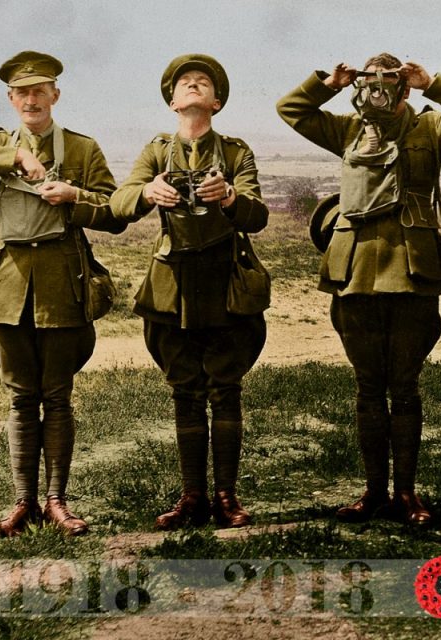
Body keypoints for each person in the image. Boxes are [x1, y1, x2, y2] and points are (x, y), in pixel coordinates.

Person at [277, 54, 441, 525]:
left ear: (403, 88)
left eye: (389, 83)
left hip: (412, 273)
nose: (378, 91)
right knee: (367, 387)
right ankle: (374, 492)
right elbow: (292, 110)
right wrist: (329, 83)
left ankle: (406, 494)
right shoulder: (347, 130)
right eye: (370, 82)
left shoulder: (432, 131)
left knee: (405, 385)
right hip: (354, 274)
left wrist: (432, 82)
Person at [110, 54, 268, 530]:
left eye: (204, 83)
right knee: (184, 390)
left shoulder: (236, 152)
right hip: (172, 288)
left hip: (226, 284)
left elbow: (257, 215)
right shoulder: (157, 151)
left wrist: (231, 197)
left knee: (226, 389)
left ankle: (226, 497)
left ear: (215, 102)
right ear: (173, 101)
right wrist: (148, 192)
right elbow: (120, 202)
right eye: (185, 83)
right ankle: (192, 497)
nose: (194, 86)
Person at [0, 51, 125, 538]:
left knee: (57, 397)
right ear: (10, 99)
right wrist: (17, 156)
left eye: (40, 91)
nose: (31, 99)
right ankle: (22, 504)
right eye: (22, 93)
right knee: (21, 398)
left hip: (63, 282)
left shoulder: (81, 149)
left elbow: (116, 211)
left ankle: (57, 501)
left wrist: (75, 197)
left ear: (55, 96)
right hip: (7, 284)